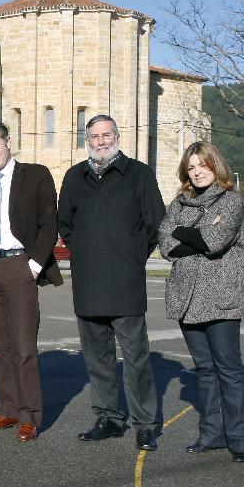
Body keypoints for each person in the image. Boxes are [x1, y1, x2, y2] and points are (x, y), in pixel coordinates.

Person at [58, 114, 165, 451]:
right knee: (97, 356)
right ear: (86, 140)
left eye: (106, 135)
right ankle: (108, 418)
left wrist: (132, 257)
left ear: (117, 137)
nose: (101, 141)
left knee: (136, 357)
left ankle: (145, 424)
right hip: (88, 281)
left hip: (125, 280)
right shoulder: (75, 176)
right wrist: (89, 254)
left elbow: (154, 224)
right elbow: (66, 224)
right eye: (94, 136)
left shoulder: (139, 174)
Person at [157, 141, 244, 463]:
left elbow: (213, 243)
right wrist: (190, 233)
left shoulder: (231, 200)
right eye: (192, 167)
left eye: (203, 165)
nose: (198, 172)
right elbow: (164, 245)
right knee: (204, 369)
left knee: (229, 368)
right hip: (187, 296)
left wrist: (182, 232)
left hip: (220, 295)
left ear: (216, 165)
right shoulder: (180, 202)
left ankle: (241, 440)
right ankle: (211, 434)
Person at [0, 122, 62, 442]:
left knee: (24, 346)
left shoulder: (35, 174)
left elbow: (49, 223)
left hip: (19, 265)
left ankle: (29, 415)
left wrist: (34, 266)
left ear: (8, 142)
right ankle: (8, 410)